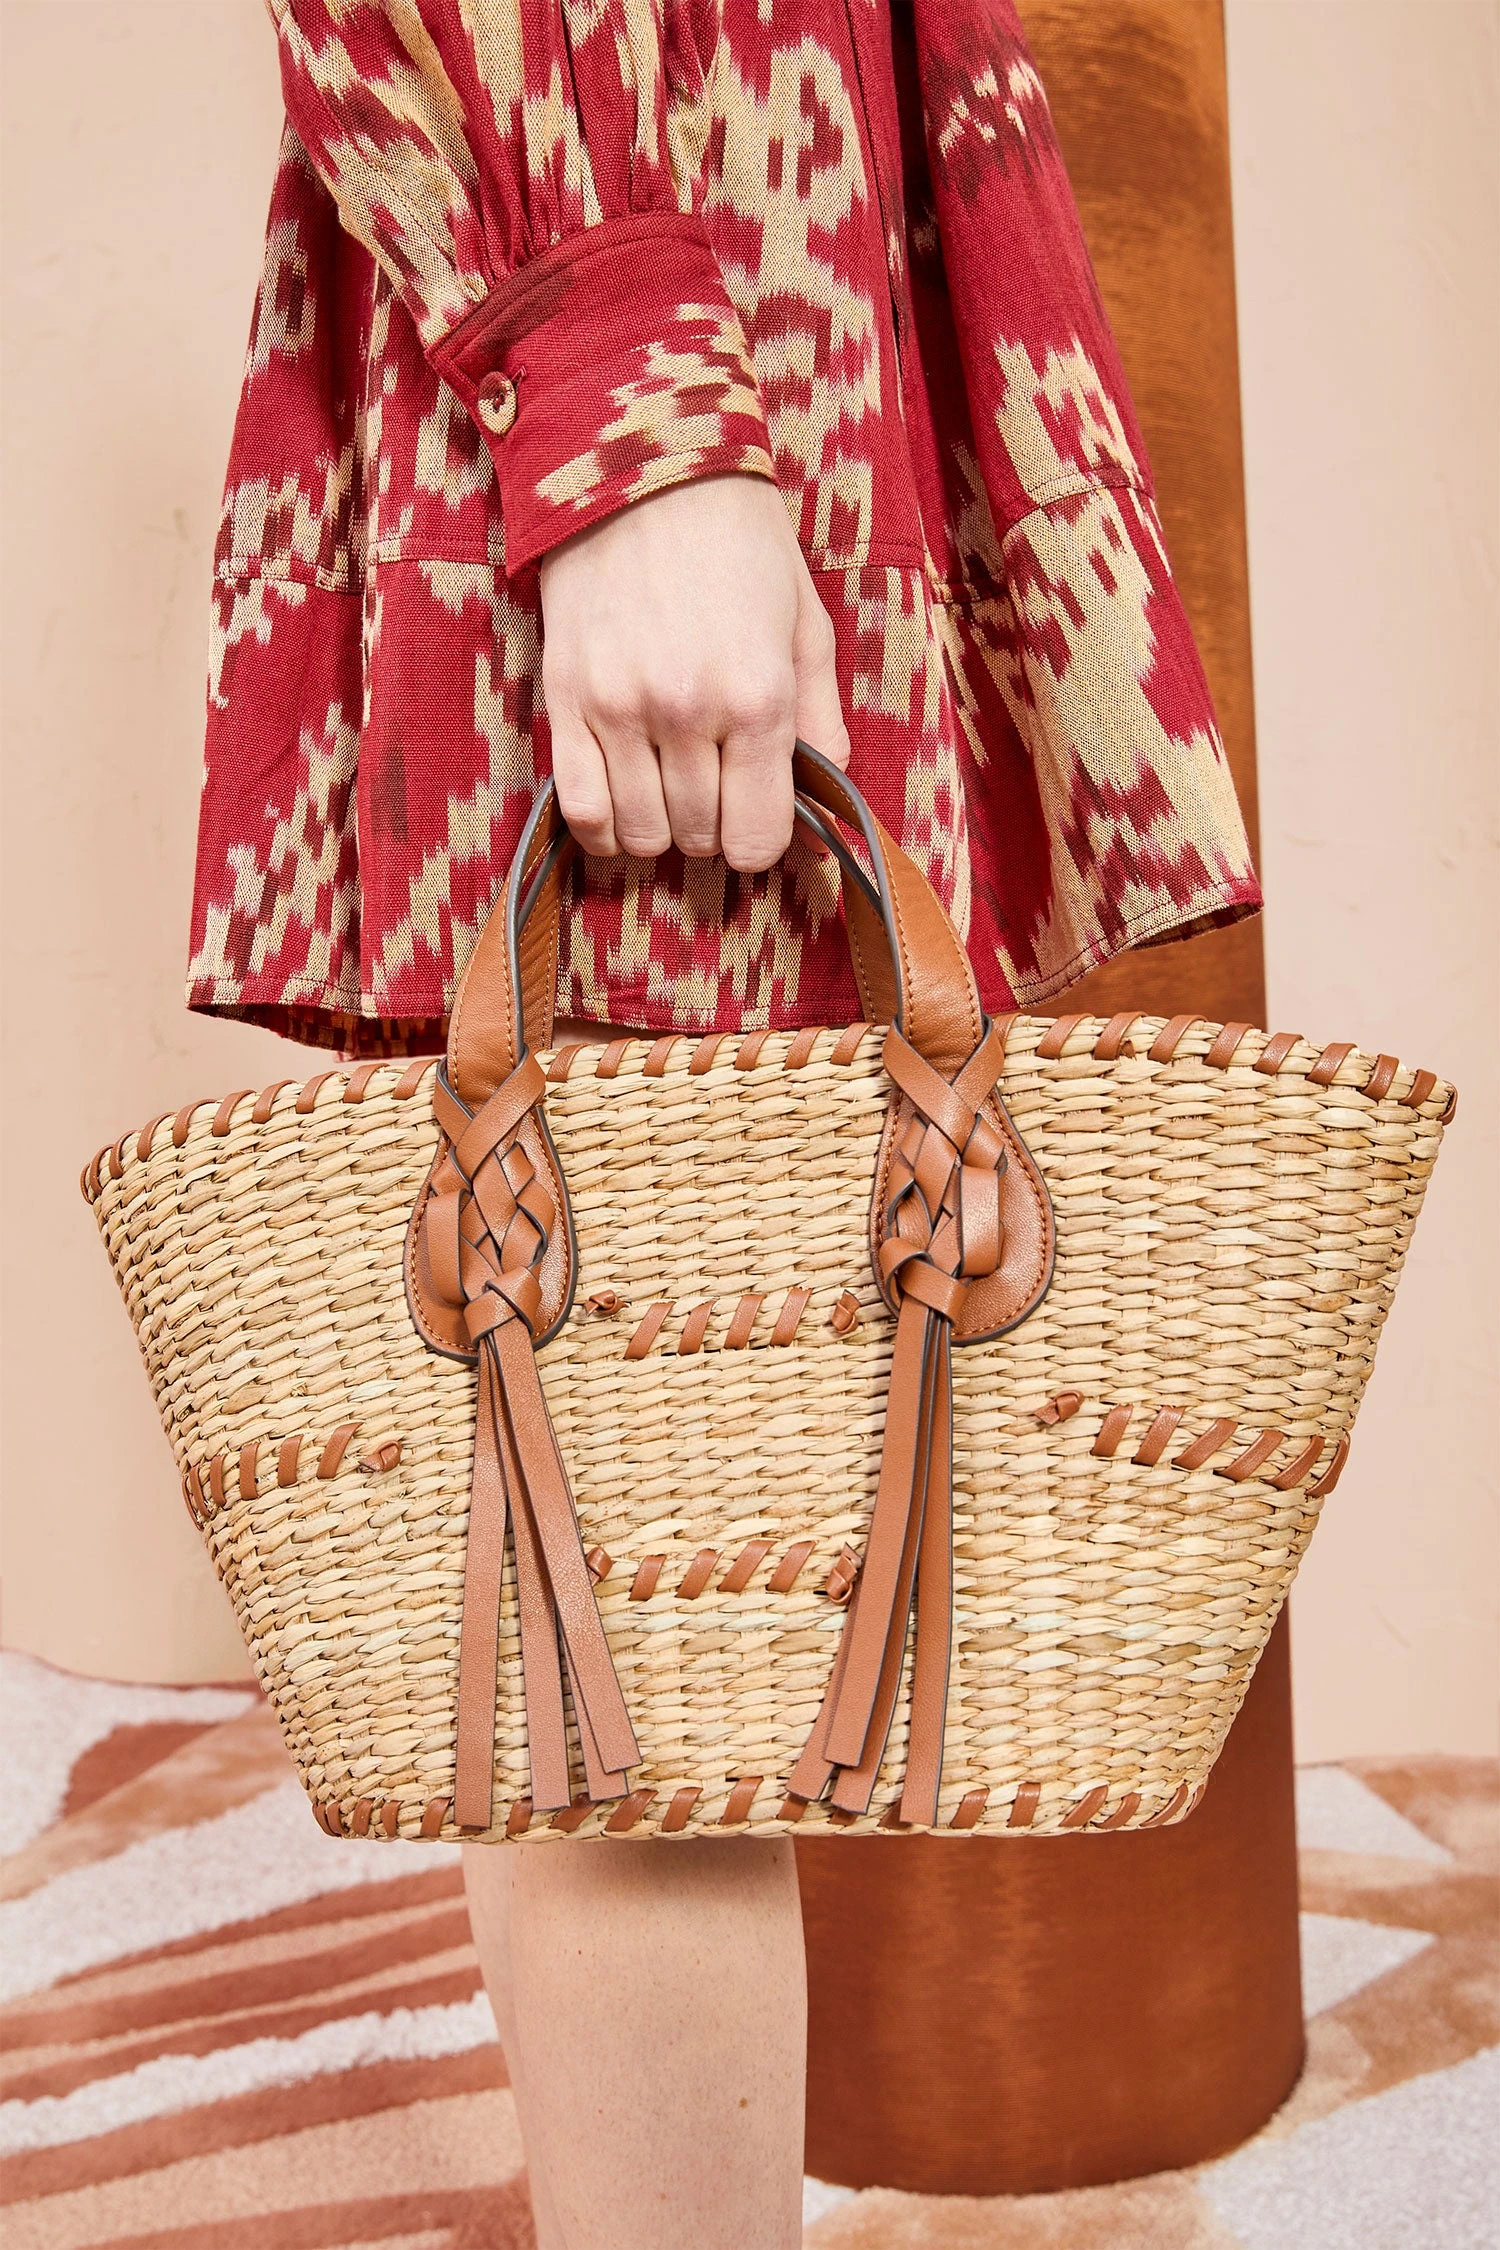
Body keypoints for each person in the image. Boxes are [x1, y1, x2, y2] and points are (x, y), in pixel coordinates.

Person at [187, 4, 1261, 2242]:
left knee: (586, 1515)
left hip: (707, 226)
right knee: (626, 1587)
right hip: (663, 191)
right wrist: (627, 400)